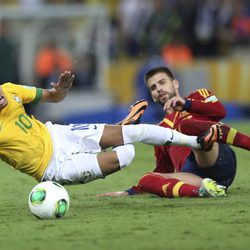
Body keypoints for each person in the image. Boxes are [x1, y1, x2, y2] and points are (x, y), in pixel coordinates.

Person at [0, 70, 223, 197]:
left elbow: (54, 96)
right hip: (53, 168)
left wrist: (62, 89)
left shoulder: (10, 90)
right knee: (126, 156)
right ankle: (124, 126)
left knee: (136, 131)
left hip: (59, 135)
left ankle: (197, 142)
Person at [100, 66, 250, 198]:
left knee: (186, 126)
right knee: (147, 179)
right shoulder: (158, 130)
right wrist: (130, 192)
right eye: (153, 87)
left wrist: (187, 104)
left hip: (215, 157)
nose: (158, 89)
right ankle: (205, 191)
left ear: (175, 83)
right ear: (152, 96)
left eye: (162, 82)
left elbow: (219, 112)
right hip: (194, 177)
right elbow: (163, 169)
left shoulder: (197, 97)